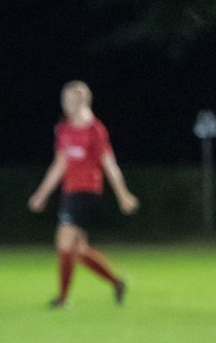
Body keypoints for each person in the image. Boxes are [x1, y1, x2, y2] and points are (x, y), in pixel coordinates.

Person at [27, 81, 139, 308]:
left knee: (63, 242)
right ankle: (117, 282)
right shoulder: (64, 129)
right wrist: (42, 193)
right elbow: (59, 165)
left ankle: (62, 298)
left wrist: (123, 194)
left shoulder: (95, 130)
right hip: (69, 193)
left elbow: (109, 164)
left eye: (70, 100)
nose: (66, 104)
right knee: (77, 250)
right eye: (64, 100)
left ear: (83, 102)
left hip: (87, 192)